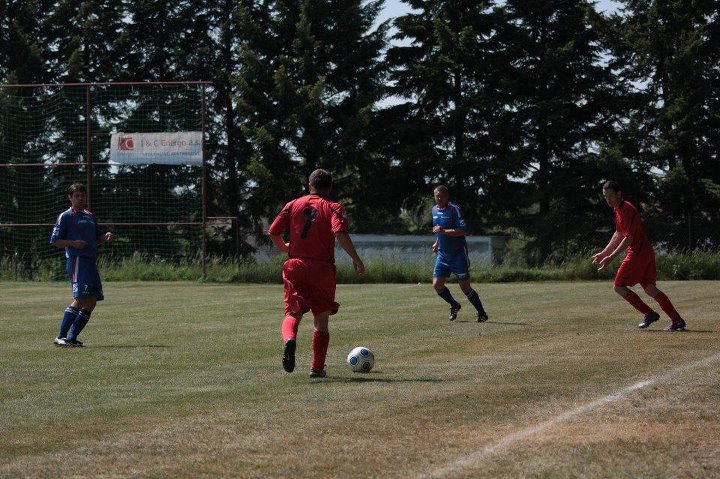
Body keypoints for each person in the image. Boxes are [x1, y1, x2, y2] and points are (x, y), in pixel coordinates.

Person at [268, 169, 365, 378]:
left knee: (292, 313)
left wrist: (285, 248)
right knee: (321, 319)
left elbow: (273, 231)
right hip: (322, 268)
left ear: (309, 185)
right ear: (329, 187)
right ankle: (317, 368)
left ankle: (290, 340)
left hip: (295, 265)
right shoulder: (333, 207)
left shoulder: (293, 204)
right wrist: (356, 260)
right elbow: (339, 233)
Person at [592, 180, 686, 331]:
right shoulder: (617, 209)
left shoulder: (627, 209)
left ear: (619, 194)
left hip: (638, 253)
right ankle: (677, 320)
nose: (607, 199)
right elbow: (618, 233)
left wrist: (611, 257)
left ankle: (649, 314)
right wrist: (604, 252)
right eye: (605, 196)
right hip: (645, 252)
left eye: (610, 196)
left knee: (618, 286)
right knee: (649, 288)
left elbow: (628, 238)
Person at [50, 183, 114, 347]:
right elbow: (55, 241)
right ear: (70, 198)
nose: (80, 198)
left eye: (82, 195)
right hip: (77, 260)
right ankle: (60, 337)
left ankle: (72, 338)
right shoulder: (65, 216)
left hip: (91, 262)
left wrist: (104, 238)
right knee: (80, 298)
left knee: (91, 301)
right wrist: (73, 243)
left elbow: (96, 237)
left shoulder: (89, 215)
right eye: (77, 195)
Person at [431, 185, 488, 322]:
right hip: (443, 255)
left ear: (447, 197)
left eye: (441, 196)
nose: (439, 198)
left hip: (458, 255)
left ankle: (482, 314)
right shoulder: (433, 210)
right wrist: (437, 243)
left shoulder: (454, 210)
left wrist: (444, 231)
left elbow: (463, 231)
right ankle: (454, 305)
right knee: (437, 285)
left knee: (465, 287)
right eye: (436, 196)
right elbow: (439, 231)